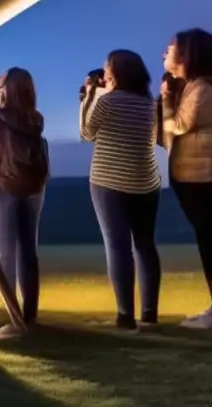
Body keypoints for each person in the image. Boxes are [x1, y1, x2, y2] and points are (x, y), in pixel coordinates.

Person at [161, 29, 212, 329]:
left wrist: (167, 100)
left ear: (188, 55)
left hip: (206, 175)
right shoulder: (194, 86)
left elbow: (179, 126)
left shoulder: (204, 89)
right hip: (195, 173)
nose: (166, 53)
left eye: (171, 48)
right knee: (209, 239)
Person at [80, 50, 162, 331]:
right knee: (145, 246)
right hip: (146, 182)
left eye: (107, 66)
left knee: (117, 247)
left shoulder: (109, 101)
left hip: (109, 182)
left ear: (116, 71)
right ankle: (150, 315)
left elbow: (86, 132)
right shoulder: (149, 103)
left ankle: (125, 316)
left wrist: (90, 96)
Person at [0, 67, 50, 341]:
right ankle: (30, 315)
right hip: (32, 187)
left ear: (5, 87)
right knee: (28, 252)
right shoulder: (36, 119)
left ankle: (12, 319)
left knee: (5, 253)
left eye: (1, 77)